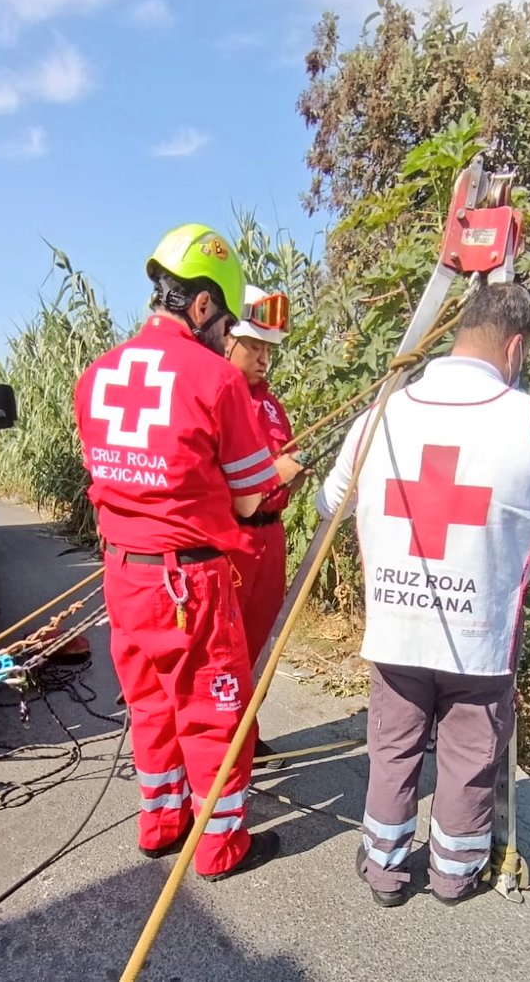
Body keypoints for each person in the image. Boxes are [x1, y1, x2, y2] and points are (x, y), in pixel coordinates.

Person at [316, 282, 530, 907]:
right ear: (515, 348)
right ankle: (454, 875)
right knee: (469, 755)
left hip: (395, 629)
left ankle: (383, 867)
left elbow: (333, 503)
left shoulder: (381, 412)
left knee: (392, 745)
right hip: (482, 635)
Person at [74, 223, 293, 881]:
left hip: (121, 573)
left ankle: (161, 822)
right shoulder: (214, 379)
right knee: (212, 710)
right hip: (186, 583)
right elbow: (254, 493)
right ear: (201, 305)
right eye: (224, 320)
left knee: (149, 704)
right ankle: (221, 847)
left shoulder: (96, 376)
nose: (227, 334)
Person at [224, 285, 307, 768]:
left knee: (259, 646)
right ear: (229, 340)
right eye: (253, 345)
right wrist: (275, 475)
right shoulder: (218, 399)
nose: (262, 357)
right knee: (228, 650)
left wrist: (290, 475)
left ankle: (246, 734)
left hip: (270, 537)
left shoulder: (272, 405)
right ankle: (225, 745)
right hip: (234, 539)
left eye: (268, 348)